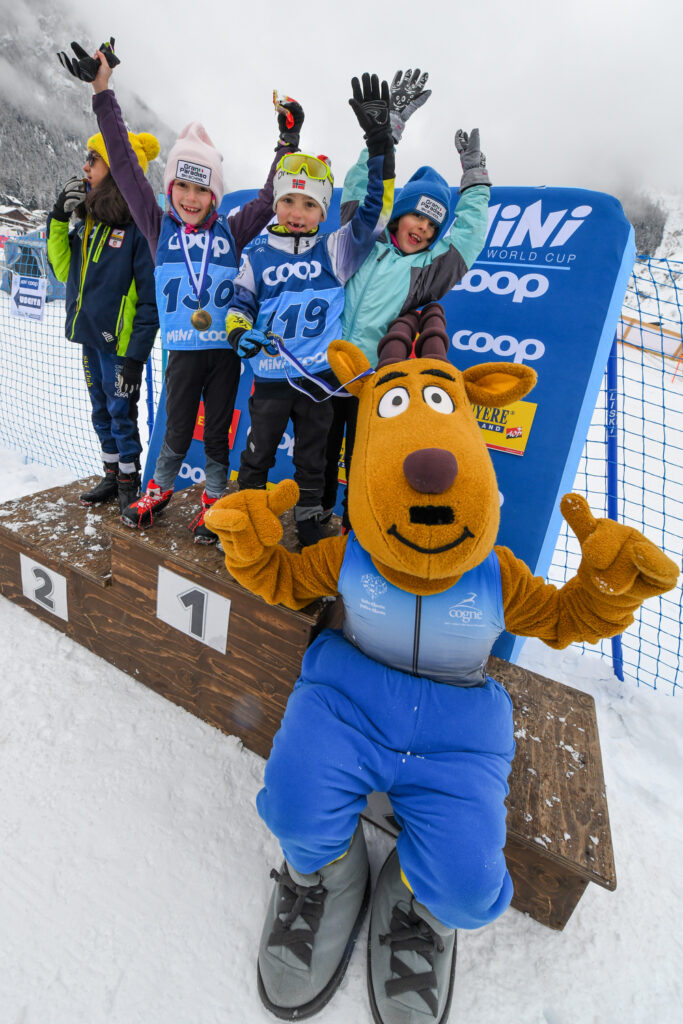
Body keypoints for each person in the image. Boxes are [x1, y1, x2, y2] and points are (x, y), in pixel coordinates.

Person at [67, 42, 305, 542]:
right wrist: (102, 91)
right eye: (184, 188)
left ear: (214, 195)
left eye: (203, 191)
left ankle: (214, 498)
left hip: (223, 351)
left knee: (217, 431)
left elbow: (267, 200)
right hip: (181, 352)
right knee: (178, 428)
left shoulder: (231, 232)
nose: (192, 199)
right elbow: (128, 167)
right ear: (171, 188)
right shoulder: (156, 228)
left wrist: (287, 145)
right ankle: (160, 488)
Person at [225, 73, 395, 547]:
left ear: (323, 212)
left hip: (320, 378)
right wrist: (241, 333)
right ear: (277, 204)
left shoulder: (336, 250)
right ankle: (249, 515)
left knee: (313, 460)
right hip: (272, 377)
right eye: (288, 201)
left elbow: (375, 212)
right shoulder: (257, 252)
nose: (297, 212)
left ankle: (308, 521)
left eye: (309, 204)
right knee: (256, 454)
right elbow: (240, 304)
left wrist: (380, 143)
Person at [321, 68, 491, 530]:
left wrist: (474, 181)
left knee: (364, 459)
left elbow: (470, 237)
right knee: (316, 451)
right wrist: (386, 130)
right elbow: (362, 183)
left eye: (432, 224)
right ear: (398, 214)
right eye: (415, 214)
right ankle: (314, 520)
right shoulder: (363, 237)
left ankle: (360, 529)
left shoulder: (427, 271)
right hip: (324, 365)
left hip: (373, 382)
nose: (421, 227)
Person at [46, 127, 160, 513]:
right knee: (100, 410)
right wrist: (58, 219)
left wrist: (135, 357)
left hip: (121, 347)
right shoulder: (87, 223)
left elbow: (150, 302)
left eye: (92, 159)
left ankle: (130, 479)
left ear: (115, 169)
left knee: (120, 412)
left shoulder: (138, 231)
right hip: (90, 338)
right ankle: (111, 474)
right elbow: (63, 270)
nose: (85, 167)